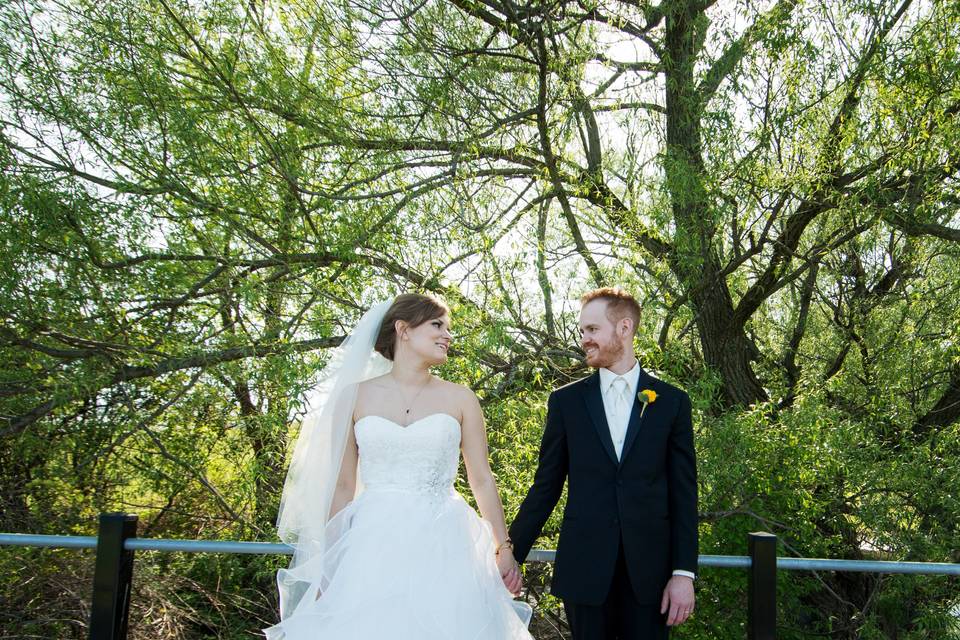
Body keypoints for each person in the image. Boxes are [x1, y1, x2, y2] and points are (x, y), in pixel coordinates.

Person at [265, 293, 532, 639]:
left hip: (446, 543)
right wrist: (328, 566)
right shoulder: (354, 397)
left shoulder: (461, 398)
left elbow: (481, 479)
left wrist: (503, 548)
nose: (447, 335)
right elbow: (343, 486)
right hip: (371, 544)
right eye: (437, 325)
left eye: (448, 328)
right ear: (403, 330)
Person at [509, 287, 698, 639]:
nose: (584, 339)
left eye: (592, 330)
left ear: (624, 328)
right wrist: (511, 554)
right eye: (582, 331)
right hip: (585, 572)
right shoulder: (565, 402)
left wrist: (683, 572)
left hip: (652, 579)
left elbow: (684, 495)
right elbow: (546, 486)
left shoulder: (672, 403)